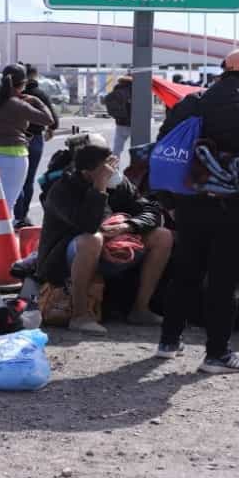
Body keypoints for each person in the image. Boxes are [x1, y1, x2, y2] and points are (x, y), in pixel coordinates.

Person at [155, 48, 239, 374]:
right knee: (224, 282)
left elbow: (164, 151)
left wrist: (168, 201)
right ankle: (217, 355)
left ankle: (168, 342)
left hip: (190, 206)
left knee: (185, 273)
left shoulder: (191, 104)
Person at [37, 136, 173, 335]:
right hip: (66, 258)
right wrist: (99, 188)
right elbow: (89, 226)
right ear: (88, 171)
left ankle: (140, 309)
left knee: (163, 236)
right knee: (92, 240)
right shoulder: (63, 189)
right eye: (107, 168)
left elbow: (150, 211)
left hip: (114, 248)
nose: (113, 172)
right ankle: (80, 315)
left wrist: (129, 226)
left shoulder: (119, 184)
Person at [0, 64, 55, 233]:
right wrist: (36, 101)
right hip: (12, 155)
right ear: (23, 84)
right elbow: (48, 119)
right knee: (6, 200)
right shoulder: (16, 104)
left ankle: (4, 232)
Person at [13, 65, 59, 228]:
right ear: (35, 76)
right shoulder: (40, 94)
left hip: (15, 138)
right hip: (35, 139)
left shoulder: (11, 95)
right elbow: (54, 119)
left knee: (15, 180)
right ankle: (22, 216)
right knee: (28, 179)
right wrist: (51, 129)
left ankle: (16, 216)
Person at [103, 75, 133, 160]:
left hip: (120, 122)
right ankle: (135, 169)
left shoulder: (116, 90)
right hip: (134, 123)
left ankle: (114, 170)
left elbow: (106, 99)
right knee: (136, 148)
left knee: (117, 149)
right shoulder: (134, 90)